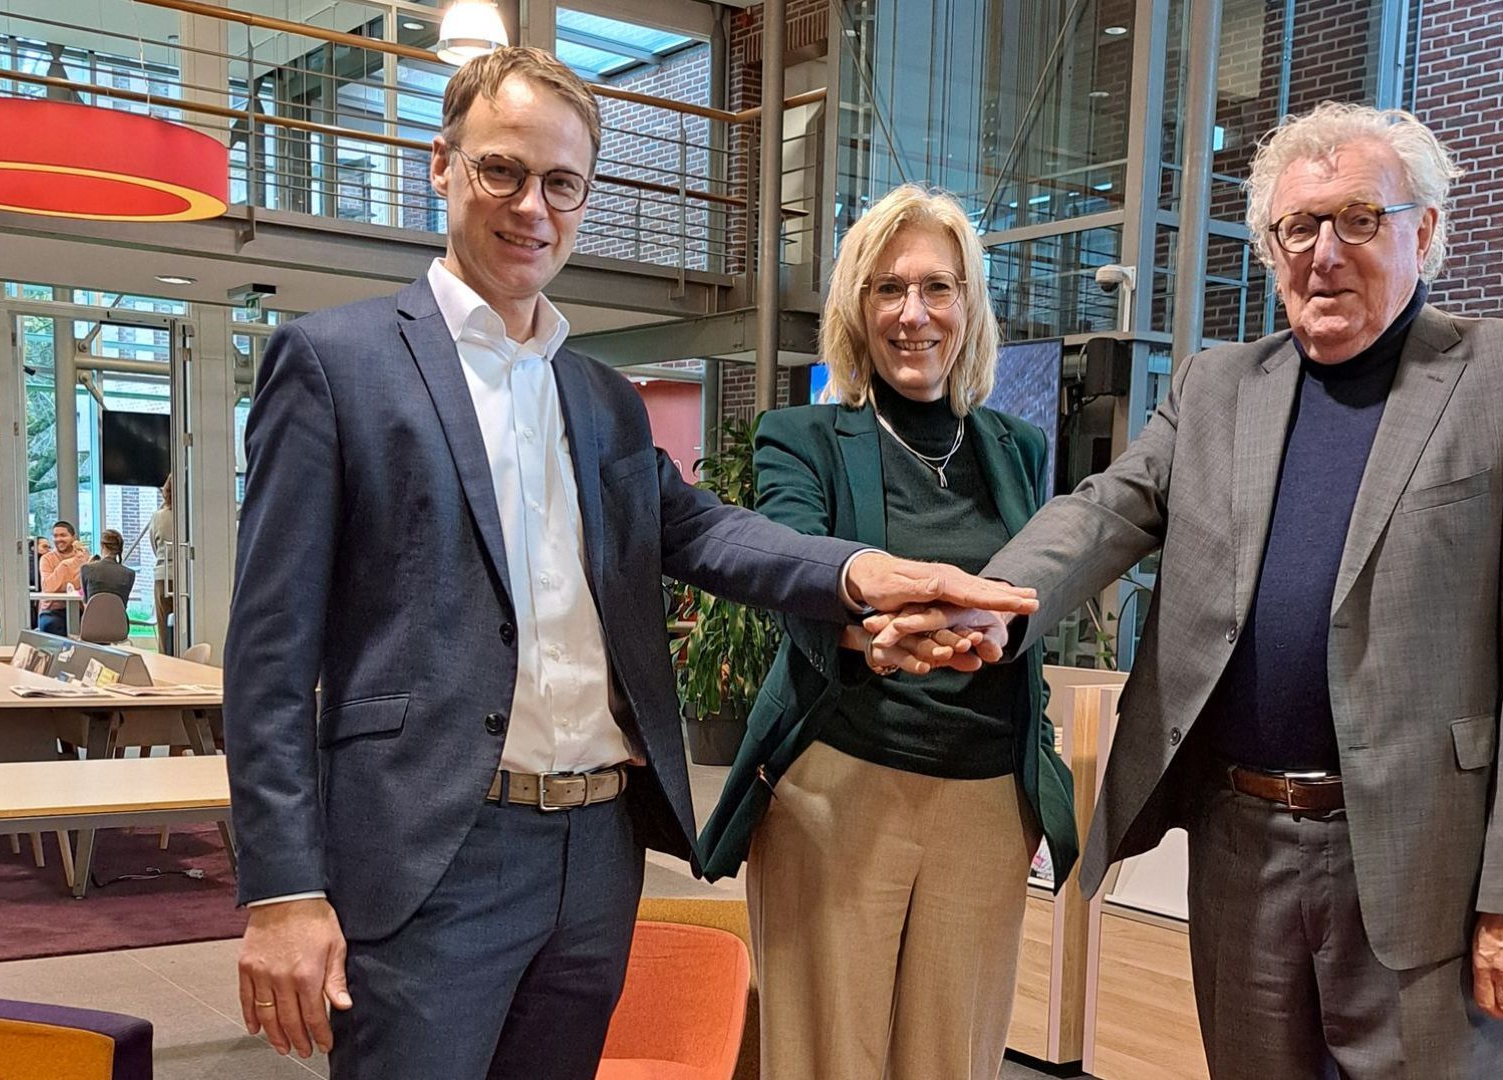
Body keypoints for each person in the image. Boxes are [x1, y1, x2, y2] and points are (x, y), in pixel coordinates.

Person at [223, 47, 1033, 1080]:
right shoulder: (337, 363)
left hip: (592, 857)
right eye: (503, 170)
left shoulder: (599, 396)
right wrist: (283, 890)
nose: (532, 208)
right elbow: (269, 656)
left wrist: (862, 574)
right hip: (431, 850)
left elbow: (706, 532)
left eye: (562, 183)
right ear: (442, 165)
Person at [876, 101, 1503, 1079]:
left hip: (1426, 857)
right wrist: (990, 601)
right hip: (1242, 848)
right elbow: (1105, 510)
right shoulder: (1218, 386)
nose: (1324, 252)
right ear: (1270, 248)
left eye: (1358, 219)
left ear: (1424, 229)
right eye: (1297, 227)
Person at [695, 185, 1078, 1080]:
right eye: (888, 289)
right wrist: (869, 636)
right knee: (825, 1060)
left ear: (968, 303)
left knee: (954, 1062)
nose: (914, 314)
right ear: (856, 307)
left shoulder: (1015, 448)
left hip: (985, 797)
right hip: (840, 787)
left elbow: (1034, 601)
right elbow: (792, 569)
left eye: (938, 287)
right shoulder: (801, 437)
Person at [38, 520, 91, 636]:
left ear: (73, 537)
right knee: (52, 625)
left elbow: (86, 586)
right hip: (52, 610)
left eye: (63, 535)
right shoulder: (47, 559)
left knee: (95, 626)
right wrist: (65, 564)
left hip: (80, 609)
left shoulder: (84, 558)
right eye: (55, 536)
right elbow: (48, 587)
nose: (58, 539)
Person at [147, 479, 175, 654]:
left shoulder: (158, 517)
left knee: (164, 629)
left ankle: (165, 659)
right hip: (187, 576)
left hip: (163, 575)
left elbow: (154, 545)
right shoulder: (191, 515)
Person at [79, 529, 136, 605]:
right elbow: (124, 603)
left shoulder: (86, 569)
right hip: (117, 613)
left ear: (102, 546)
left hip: (93, 612)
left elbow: (86, 601)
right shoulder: (130, 574)